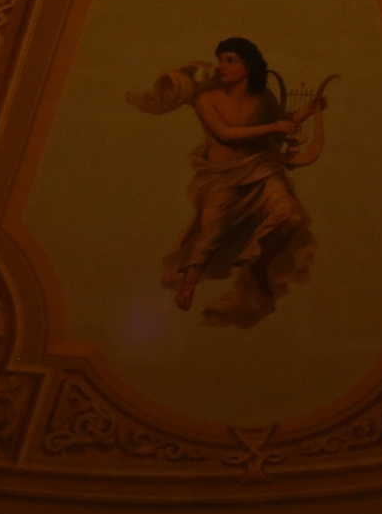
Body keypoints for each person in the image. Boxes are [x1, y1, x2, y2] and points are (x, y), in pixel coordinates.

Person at [130, 37, 329, 328]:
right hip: (222, 176)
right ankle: (190, 284)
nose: (221, 66)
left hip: (261, 169)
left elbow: (282, 125)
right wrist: (275, 126)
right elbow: (226, 133)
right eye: (220, 59)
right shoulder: (206, 100)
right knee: (211, 228)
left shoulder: (264, 99)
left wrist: (309, 111)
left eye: (230, 60)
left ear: (247, 68)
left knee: (291, 215)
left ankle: (262, 263)